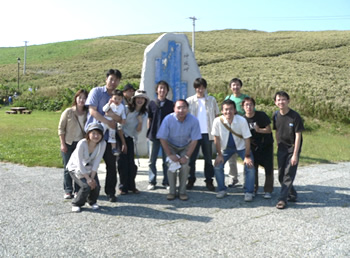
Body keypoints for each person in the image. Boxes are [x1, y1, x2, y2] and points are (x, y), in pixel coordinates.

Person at [85, 69, 125, 202]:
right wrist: (107, 120)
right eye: (111, 79)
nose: (113, 82)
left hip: (110, 137)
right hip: (94, 135)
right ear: (106, 79)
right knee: (89, 164)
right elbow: (92, 111)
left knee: (111, 165)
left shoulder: (119, 96)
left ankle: (110, 192)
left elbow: (121, 117)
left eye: (116, 80)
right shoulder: (96, 91)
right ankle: (89, 191)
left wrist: (113, 117)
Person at [157, 99, 201, 201]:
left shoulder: (194, 120)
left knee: (185, 166)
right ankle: (172, 191)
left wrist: (186, 156)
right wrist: (169, 154)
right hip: (171, 145)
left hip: (186, 146)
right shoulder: (168, 119)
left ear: (187, 108)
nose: (181, 110)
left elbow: (194, 140)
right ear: (174, 109)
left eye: (184, 107)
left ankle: (182, 191)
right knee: (171, 165)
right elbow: (162, 138)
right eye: (178, 108)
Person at [211, 99, 255, 201]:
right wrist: (219, 154)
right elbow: (216, 139)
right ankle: (222, 189)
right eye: (226, 109)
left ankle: (249, 192)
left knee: (250, 166)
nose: (228, 112)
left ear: (235, 110)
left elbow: (247, 138)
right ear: (222, 111)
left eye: (231, 109)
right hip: (225, 148)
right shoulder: (217, 121)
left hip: (242, 147)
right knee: (218, 165)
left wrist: (247, 156)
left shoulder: (241, 120)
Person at [186, 78, 220, 191]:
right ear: (195, 88)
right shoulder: (189, 101)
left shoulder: (211, 100)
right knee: (191, 158)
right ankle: (190, 180)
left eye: (202, 87)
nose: (200, 90)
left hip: (208, 133)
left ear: (205, 88)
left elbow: (217, 116)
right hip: (194, 134)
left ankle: (209, 180)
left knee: (208, 158)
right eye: (198, 87)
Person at [273, 91, 304, 209]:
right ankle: (292, 194)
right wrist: (277, 143)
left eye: (283, 99)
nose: (281, 102)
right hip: (281, 148)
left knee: (288, 174)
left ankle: (282, 200)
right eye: (279, 100)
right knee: (281, 175)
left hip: (292, 148)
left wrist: (295, 154)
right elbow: (276, 130)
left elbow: (298, 135)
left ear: (288, 101)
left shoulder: (295, 116)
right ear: (275, 102)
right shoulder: (275, 115)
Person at [67, 123, 106, 212]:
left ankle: (92, 201)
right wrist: (88, 179)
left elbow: (97, 162)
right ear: (88, 134)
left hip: (89, 168)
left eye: (99, 134)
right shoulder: (82, 143)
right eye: (93, 133)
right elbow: (79, 163)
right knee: (86, 186)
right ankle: (76, 203)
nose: (96, 136)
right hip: (75, 168)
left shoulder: (102, 144)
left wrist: (92, 178)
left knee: (96, 185)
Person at [58, 89, 88, 199]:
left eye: (84, 98)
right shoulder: (68, 112)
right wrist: (62, 144)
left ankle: (77, 190)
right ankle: (68, 190)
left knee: (78, 168)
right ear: (76, 98)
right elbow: (61, 129)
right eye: (80, 97)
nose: (82, 100)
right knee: (67, 168)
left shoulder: (87, 113)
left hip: (80, 143)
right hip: (68, 142)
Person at [118, 89, 149, 195]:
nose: (140, 100)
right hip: (121, 136)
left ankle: (132, 186)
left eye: (142, 98)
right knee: (122, 163)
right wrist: (123, 143)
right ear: (134, 99)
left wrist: (140, 121)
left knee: (131, 163)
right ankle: (123, 187)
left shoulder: (144, 114)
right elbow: (119, 126)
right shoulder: (126, 109)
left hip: (131, 138)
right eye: (138, 98)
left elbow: (139, 130)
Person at [242, 97, 274, 199]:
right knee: (252, 167)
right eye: (246, 105)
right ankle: (254, 188)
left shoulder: (261, 115)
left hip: (266, 145)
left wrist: (259, 129)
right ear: (243, 107)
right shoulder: (242, 119)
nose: (249, 107)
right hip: (252, 146)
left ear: (254, 106)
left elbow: (269, 130)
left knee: (268, 168)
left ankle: (268, 190)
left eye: (250, 104)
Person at [147, 80, 174, 190]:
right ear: (157, 90)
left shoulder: (171, 104)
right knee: (152, 160)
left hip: (166, 137)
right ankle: (152, 181)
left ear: (167, 91)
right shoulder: (152, 103)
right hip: (153, 135)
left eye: (164, 88)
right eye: (160, 88)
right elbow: (149, 119)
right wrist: (148, 132)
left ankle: (166, 181)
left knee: (166, 160)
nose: (162, 90)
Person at [225, 78, 250, 187]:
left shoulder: (245, 98)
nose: (235, 87)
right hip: (231, 129)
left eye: (237, 85)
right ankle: (233, 178)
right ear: (230, 87)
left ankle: (246, 179)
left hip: (242, 128)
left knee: (246, 156)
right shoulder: (228, 98)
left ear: (241, 86)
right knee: (232, 158)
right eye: (233, 85)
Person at [102, 89, 126, 156]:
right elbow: (104, 109)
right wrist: (109, 103)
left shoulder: (122, 106)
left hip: (113, 123)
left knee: (112, 135)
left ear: (122, 99)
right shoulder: (110, 104)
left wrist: (124, 119)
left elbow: (123, 114)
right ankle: (98, 143)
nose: (117, 101)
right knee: (101, 131)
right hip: (106, 121)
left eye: (119, 99)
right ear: (111, 98)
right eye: (115, 98)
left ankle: (113, 148)